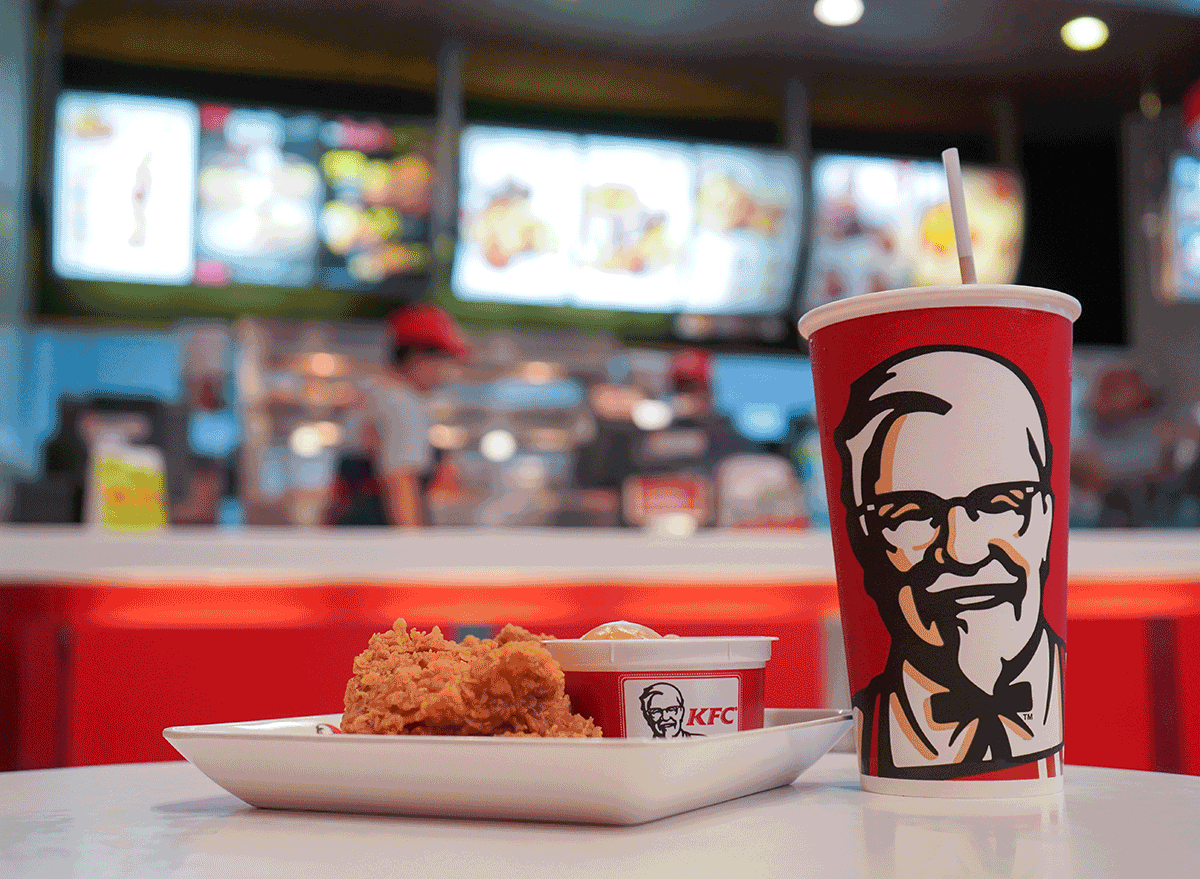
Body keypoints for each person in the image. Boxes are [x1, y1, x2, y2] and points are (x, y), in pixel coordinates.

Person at [834, 346, 1064, 781]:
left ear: (1047, 518)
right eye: (911, 513)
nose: (963, 551)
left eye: (1000, 502)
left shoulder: (1107, 702)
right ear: (864, 539)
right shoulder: (872, 727)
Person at [326, 303, 470, 528]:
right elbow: (400, 482)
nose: (450, 373)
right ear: (417, 358)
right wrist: (411, 551)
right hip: (376, 542)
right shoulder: (401, 404)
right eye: (446, 361)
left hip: (352, 535)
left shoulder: (373, 393)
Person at [638, 682, 702, 738]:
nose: (665, 717)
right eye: (656, 711)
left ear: (681, 712)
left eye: (672, 709)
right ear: (646, 715)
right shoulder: (639, 749)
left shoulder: (702, 742)